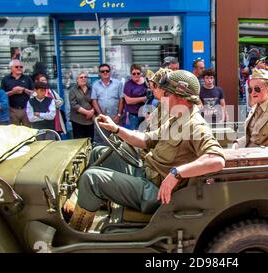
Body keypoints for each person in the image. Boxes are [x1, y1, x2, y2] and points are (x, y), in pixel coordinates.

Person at [67, 70, 226, 232]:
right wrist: (115, 129)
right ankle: (88, 204)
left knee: (91, 178)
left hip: (155, 192)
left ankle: (76, 232)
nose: (164, 99)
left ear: (180, 97)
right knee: (98, 153)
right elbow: (145, 140)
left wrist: (176, 173)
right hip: (146, 173)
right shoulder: (177, 118)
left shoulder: (195, 125)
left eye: (167, 94)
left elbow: (216, 160)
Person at [91, 63, 124, 145]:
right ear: (99, 73)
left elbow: (121, 100)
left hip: (115, 118)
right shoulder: (95, 85)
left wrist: (119, 115)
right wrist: (101, 115)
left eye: (107, 71)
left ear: (110, 72)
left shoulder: (118, 84)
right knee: (102, 142)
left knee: (117, 142)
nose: (105, 73)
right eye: (102, 71)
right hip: (102, 118)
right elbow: (94, 101)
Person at [0, 59, 34, 126]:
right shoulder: (5, 79)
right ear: (11, 68)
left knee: (28, 131)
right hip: (12, 110)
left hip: (26, 109)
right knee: (14, 132)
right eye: (16, 67)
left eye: (21, 67)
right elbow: (2, 95)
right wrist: (13, 92)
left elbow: (34, 93)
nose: (19, 68)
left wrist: (24, 89)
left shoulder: (28, 78)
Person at [69, 71, 95, 141]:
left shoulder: (91, 89)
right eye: (81, 77)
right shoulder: (73, 90)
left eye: (85, 77)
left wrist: (92, 111)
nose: (83, 78)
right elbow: (74, 104)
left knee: (90, 142)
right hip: (77, 121)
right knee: (79, 142)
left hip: (90, 121)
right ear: (77, 79)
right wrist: (87, 112)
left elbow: (95, 101)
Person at [122, 64, 148, 130]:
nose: (136, 75)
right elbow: (128, 101)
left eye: (138, 73)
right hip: (134, 115)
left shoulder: (146, 83)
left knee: (144, 134)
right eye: (134, 73)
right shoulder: (128, 84)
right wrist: (143, 98)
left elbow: (151, 96)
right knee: (134, 135)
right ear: (131, 74)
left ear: (141, 73)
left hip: (145, 114)